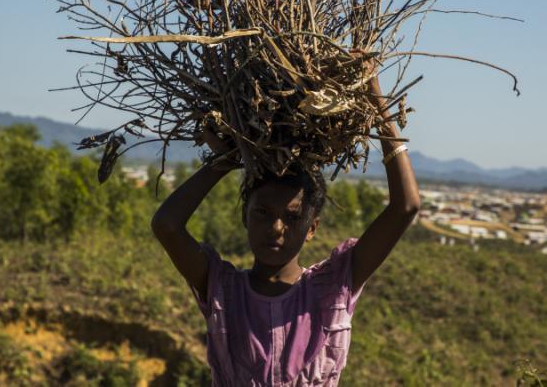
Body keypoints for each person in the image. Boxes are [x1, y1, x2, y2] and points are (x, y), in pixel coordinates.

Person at [151, 70, 421, 386]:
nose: (276, 228)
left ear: (312, 228)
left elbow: (405, 207)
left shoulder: (334, 287)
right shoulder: (223, 291)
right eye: (263, 213)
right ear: (244, 217)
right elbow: (167, 226)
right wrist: (224, 160)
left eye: (293, 218)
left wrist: (374, 96)